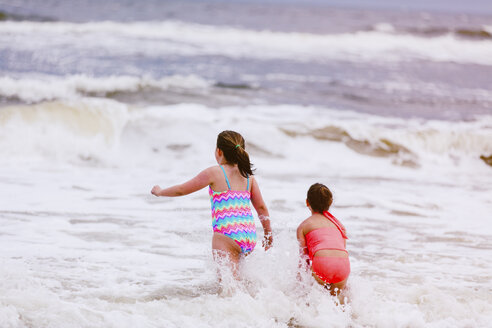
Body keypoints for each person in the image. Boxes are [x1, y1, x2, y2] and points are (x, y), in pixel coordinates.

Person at [151, 130, 272, 278]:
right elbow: (261, 207)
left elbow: (182, 190)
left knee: (227, 286)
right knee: (239, 282)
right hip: (248, 235)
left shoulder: (214, 173)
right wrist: (268, 233)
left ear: (219, 151)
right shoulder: (248, 176)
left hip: (227, 234)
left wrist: (160, 191)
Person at [296, 183, 350, 296]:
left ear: (307, 202)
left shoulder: (304, 226)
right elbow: (338, 251)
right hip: (343, 266)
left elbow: (304, 259)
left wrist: (298, 285)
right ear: (330, 203)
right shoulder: (339, 226)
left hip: (322, 263)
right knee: (336, 303)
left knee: (310, 300)